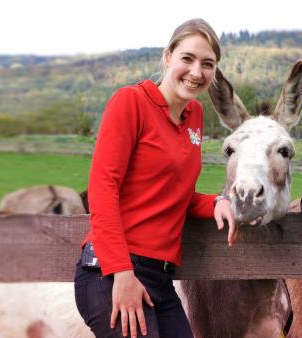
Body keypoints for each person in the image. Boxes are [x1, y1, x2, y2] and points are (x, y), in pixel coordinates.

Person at [74, 18, 237, 338]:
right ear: (167, 57)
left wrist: (216, 202)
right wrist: (121, 274)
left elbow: (174, 194)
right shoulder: (130, 101)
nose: (196, 72)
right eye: (187, 59)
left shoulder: (195, 116)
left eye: (208, 64)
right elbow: (102, 189)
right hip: (111, 271)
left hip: (161, 278)